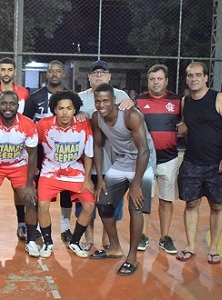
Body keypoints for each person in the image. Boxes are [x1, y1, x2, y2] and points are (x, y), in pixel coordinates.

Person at [90, 83, 155, 276]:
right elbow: (98, 147)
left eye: (106, 101)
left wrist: (136, 184)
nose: (101, 105)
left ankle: (132, 257)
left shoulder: (131, 116)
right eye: (98, 101)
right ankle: (115, 247)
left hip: (143, 163)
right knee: (103, 202)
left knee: (136, 206)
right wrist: (101, 178)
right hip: (122, 162)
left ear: (114, 101)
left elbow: (144, 150)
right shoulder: (96, 118)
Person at [175, 62, 222, 264]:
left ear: (205, 78)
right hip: (192, 162)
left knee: (217, 205)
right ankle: (191, 246)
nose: (194, 78)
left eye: (198, 75)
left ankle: (213, 248)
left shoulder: (218, 99)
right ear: (186, 79)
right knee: (191, 203)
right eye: (190, 75)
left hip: (216, 164)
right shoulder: (186, 101)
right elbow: (185, 126)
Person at [76, 60, 134, 250]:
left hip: (114, 156)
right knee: (86, 196)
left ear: (109, 76)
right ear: (89, 77)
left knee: (112, 197)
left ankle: (109, 236)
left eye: (103, 72)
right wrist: (78, 115)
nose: (99, 75)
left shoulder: (121, 95)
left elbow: (130, 118)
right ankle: (88, 234)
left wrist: (131, 103)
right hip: (86, 158)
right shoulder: (79, 98)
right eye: (95, 73)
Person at [0, 90, 38, 257]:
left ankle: (31, 241)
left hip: (18, 165)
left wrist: (29, 183)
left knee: (30, 199)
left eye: (12, 103)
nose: (8, 107)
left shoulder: (27, 124)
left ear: (18, 106)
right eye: (4, 103)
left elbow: (32, 154)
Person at [35, 90, 94, 259]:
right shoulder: (44, 125)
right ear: (54, 110)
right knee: (43, 205)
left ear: (75, 110)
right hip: (50, 171)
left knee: (89, 205)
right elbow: (32, 146)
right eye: (61, 108)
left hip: (75, 171)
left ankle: (75, 242)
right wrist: (33, 170)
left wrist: (88, 178)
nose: (65, 112)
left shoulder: (84, 124)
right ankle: (48, 242)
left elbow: (89, 153)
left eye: (69, 108)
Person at [23, 60, 72, 242]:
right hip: (40, 153)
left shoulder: (71, 97)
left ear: (63, 74)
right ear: (47, 74)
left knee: (66, 190)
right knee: (38, 191)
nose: (54, 74)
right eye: (51, 71)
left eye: (58, 71)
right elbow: (25, 123)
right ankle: (35, 227)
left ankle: (66, 228)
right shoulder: (35, 98)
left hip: (65, 152)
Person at [136, 64, 182, 254]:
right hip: (145, 160)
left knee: (166, 199)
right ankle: (143, 235)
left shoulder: (177, 101)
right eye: (152, 79)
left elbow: (186, 123)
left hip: (169, 158)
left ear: (166, 81)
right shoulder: (138, 101)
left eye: (159, 79)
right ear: (148, 82)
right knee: (145, 199)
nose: (156, 82)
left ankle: (164, 237)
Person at [0, 57, 31, 240]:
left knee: (18, 188)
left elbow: (25, 117)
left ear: (14, 72)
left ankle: (22, 224)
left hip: (16, 146)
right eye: (3, 69)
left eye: (9, 70)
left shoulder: (23, 92)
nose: (6, 73)